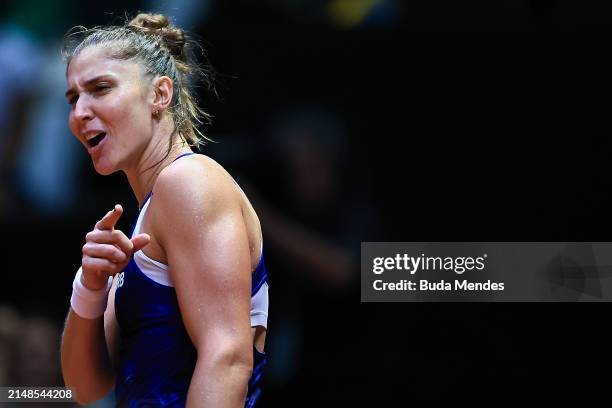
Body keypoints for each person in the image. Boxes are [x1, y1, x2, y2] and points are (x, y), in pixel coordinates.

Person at [59, 13, 269, 407]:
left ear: (160, 94)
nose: (79, 112)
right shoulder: (149, 213)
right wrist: (88, 288)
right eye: (73, 98)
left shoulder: (189, 181)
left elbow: (226, 358)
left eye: (100, 88)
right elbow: (86, 388)